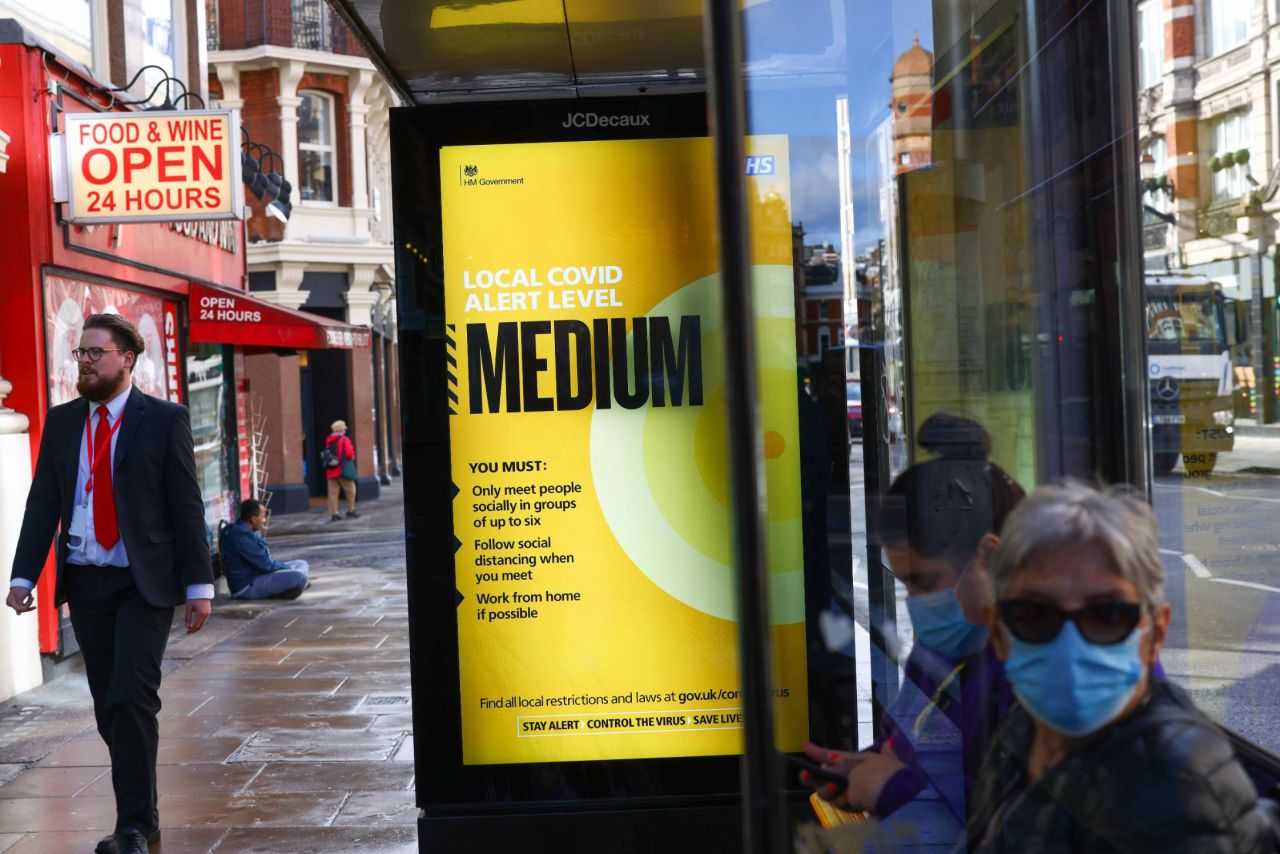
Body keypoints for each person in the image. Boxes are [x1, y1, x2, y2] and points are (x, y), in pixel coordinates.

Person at [968, 481, 1276, 852]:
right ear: (998, 635)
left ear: (1156, 634)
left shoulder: (1175, 785)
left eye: (1109, 614)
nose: (1070, 647)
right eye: (1034, 614)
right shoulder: (1024, 728)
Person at [6, 314, 213, 854]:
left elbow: (186, 505)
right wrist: (24, 575)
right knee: (108, 705)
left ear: (127, 358)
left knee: (131, 697)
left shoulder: (164, 420)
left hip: (143, 584)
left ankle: (133, 826)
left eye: (96, 352)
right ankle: (143, 810)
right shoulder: (63, 421)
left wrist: (200, 585)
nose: (86, 362)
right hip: (87, 582)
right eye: (81, 353)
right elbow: (43, 502)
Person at [801, 414, 1025, 836]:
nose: (918, 604)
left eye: (926, 583)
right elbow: (909, 742)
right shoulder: (949, 645)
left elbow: (1011, 819)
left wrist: (891, 788)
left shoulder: (1032, 669)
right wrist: (864, 766)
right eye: (907, 584)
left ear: (991, 559)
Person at [221, 499, 309, 600]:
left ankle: (295, 584)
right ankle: (291, 587)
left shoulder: (246, 531)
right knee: (299, 577)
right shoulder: (240, 536)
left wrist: (287, 568)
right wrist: (288, 568)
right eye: (263, 516)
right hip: (247, 586)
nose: (265, 520)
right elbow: (266, 565)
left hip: (258, 575)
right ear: (253, 519)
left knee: (302, 564)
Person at [324, 419, 359, 522]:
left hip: (331, 471)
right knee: (351, 490)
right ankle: (351, 510)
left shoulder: (328, 440)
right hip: (342, 470)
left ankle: (334, 514)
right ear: (341, 430)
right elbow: (349, 454)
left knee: (333, 493)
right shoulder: (344, 440)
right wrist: (352, 456)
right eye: (344, 429)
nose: (345, 431)